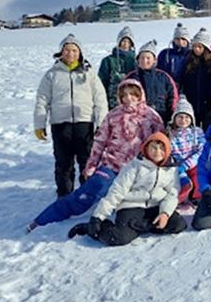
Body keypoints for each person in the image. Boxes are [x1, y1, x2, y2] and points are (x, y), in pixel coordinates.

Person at [29, 79, 164, 231]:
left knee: (137, 201)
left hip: (138, 169)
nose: (128, 99)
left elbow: (161, 144)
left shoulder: (151, 116)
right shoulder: (113, 116)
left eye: (133, 94)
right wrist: (91, 166)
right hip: (112, 166)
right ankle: (44, 219)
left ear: (140, 95)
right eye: (124, 95)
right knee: (90, 190)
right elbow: (99, 143)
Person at [67, 132, 187, 246]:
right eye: (153, 147)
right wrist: (98, 217)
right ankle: (88, 227)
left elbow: (172, 193)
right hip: (132, 205)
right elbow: (117, 191)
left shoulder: (171, 169)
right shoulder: (134, 166)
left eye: (162, 148)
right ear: (146, 148)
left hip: (156, 206)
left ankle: (140, 226)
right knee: (119, 237)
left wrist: (165, 213)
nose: (157, 152)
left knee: (178, 224)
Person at [34, 33, 108, 197]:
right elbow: (42, 99)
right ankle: (64, 194)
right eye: (66, 50)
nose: (70, 53)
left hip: (84, 123)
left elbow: (100, 100)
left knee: (87, 161)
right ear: (61, 52)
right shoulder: (52, 74)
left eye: (74, 50)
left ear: (80, 53)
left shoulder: (89, 73)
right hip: (61, 124)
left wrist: (101, 124)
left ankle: (87, 192)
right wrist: (39, 124)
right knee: (63, 162)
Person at [126, 40, 179, 125]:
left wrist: (172, 116)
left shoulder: (164, 77)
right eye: (142, 58)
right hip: (136, 121)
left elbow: (173, 98)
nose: (144, 61)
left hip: (161, 119)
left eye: (148, 58)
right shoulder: (131, 77)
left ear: (154, 60)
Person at [180, 27, 211, 130]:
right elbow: (181, 79)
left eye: (200, 46)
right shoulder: (188, 61)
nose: (197, 49)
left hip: (208, 102)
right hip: (191, 100)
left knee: (208, 127)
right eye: (195, 46)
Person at [167, 98, 206, 207]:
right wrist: (175, 165)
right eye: (180, 117)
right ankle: (180, 198)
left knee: (197, 176)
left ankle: (196, 196)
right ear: (174, 118)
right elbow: (167, 151)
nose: (183, 120)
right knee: (179, 180)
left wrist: (187, 164)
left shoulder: (197, 132)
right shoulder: (170, 133)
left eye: (187, 117)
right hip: (176, 164)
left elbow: (201, 149)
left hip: (193, 163)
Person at [98, 26, 136, 109]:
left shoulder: (136, 61)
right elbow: (102, 82)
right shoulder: (108, 60)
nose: (125, 44)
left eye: (128, 42)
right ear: (118, 42)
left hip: (133, 103)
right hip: (113, 102)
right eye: (123, 41)